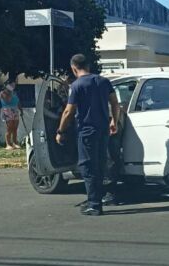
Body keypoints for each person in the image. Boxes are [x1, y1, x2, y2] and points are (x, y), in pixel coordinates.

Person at [56, 54, 120, 216]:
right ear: (88, 66)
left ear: (73, 68)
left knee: (88, 167)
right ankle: (99, 198)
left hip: (86, 131)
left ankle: (94, 204)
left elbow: (69, 111)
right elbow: (114, 102)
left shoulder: (77, 86)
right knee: (100, 165)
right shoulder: (104, 82)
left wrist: (60, 131)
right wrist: (114, 120)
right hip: (103, 130)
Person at [0, 81, 22, 150]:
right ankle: (8, 144)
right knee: (9, 128)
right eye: (11, 85)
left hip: (15, 110)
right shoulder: (2, 93)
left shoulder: (14, 93)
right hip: (7, 111)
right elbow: (7, 100)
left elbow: (18, 101)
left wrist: (21, 109)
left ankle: (15, 143)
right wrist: (9, 92)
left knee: (15, 128)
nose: (13, 87)